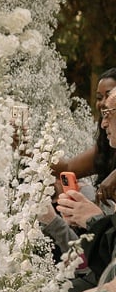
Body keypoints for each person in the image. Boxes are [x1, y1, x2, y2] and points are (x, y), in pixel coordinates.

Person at [54, 68, 116, 201]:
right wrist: (28, 151)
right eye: (99, 97)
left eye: (109, 95)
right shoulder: (107, 145)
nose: (103, 103)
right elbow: (68, 168)